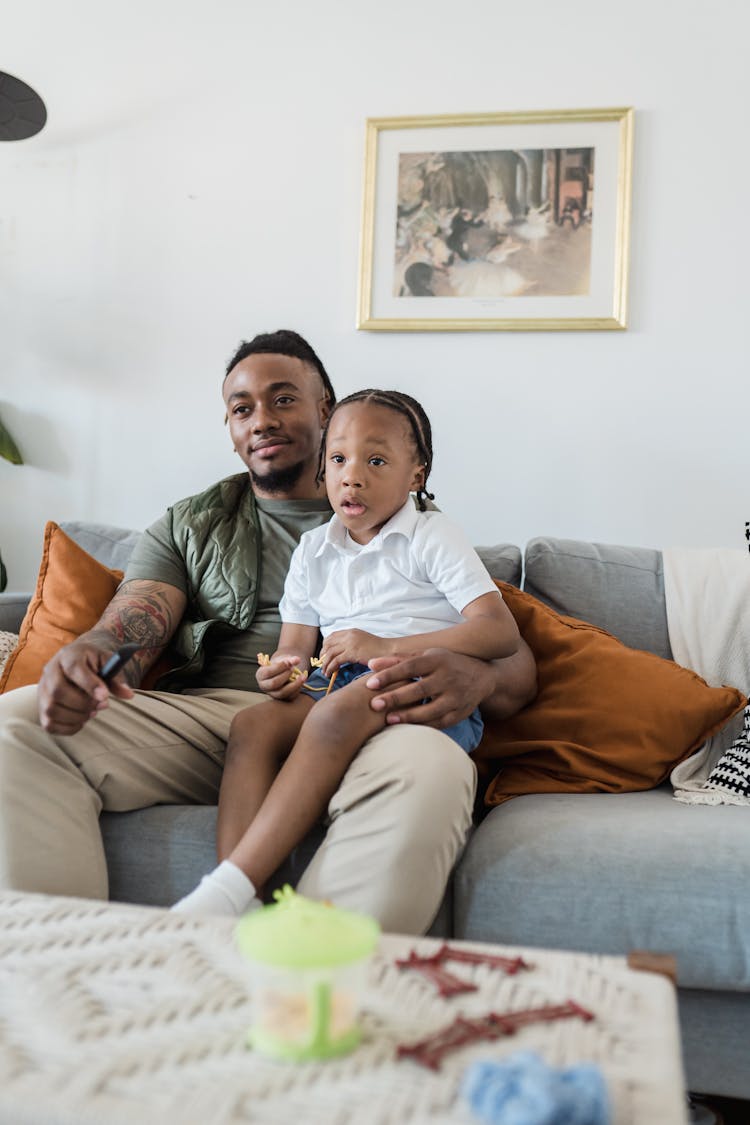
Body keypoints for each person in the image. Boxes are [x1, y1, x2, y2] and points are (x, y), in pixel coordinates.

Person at [0, 330, 537, 933]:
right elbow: (136, 618)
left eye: (284, 399)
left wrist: (472, 674)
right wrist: (93, 653)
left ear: (326, 409)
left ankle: (306, 988)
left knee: (429, 767)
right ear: (230, 430)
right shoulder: (190, 525)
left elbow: (509, 659)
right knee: (17, 724)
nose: (261, 421)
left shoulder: (413, 528)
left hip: (376, 713)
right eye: (241, 408)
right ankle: (62, 977)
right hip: (230, 717)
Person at [173, 389, 521, 916]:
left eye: (376, 460)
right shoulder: (313, 549)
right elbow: (294, 647)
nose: (351, 476)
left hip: (415, 683)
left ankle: (228, 887)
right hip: (330, 684)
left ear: (416, 475)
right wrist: (283, 673)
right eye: (338, 459)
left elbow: (498, 633)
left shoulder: (432, 536)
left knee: (338, 713)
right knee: (252, 725)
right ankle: (244, 910)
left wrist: (384, 646)